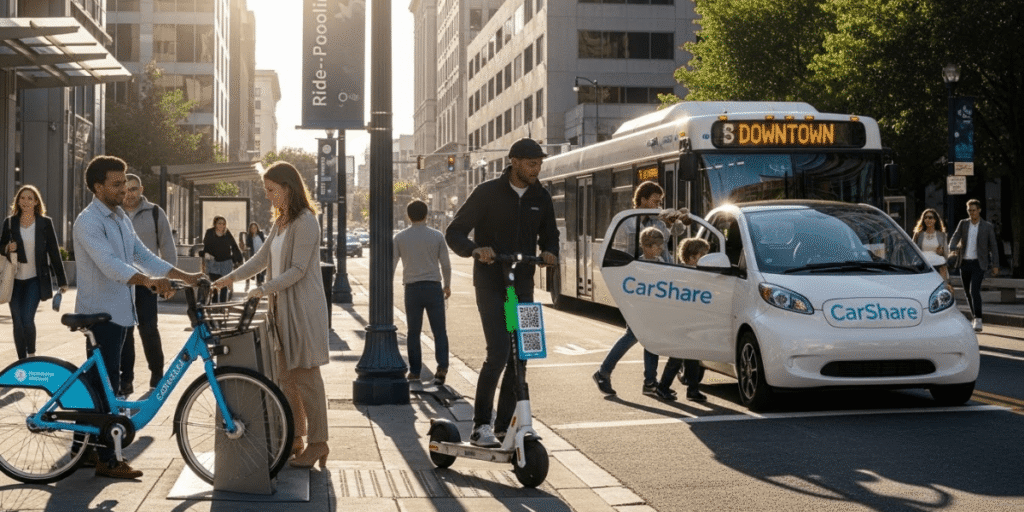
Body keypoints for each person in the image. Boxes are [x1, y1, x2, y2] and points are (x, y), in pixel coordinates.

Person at [73, 155, 204, 479]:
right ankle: (106, 459)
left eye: (124, 183)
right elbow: (110, 266)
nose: (124, 190)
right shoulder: (88, 221)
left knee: (98, 384)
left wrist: (184, 276)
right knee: (107, 386)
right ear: (98, 186)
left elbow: (141, 254)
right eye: (116, 184)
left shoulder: (119, 217)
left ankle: (82, 449)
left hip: (120, 312)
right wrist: (148, 281)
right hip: (99, 313)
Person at [212, 161, 331, 469]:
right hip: (281, 308)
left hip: (302, 309)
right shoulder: (281, 222)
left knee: (306, 376)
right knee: (285, 377)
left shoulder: (306, 221)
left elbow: (299, 269)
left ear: (288, 189)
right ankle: (296, 437)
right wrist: (229, 279)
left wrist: (263, 289)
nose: (268, 196)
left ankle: (319, 443)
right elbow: (260, 259)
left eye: (271, 190)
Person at [445, 138, 558, 448]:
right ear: (514, 162)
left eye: (539, 164)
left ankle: (504, 426)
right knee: (499, 352)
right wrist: (474, 249)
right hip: (493, 283)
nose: (537, 169)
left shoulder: (541, 197)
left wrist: (550, 252)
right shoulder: (487, 193)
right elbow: (454, 232)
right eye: (531, 163)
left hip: (521, 285)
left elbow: (551, 234)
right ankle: (481, 425)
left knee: (524, 354)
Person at [593, 181, 689, 397]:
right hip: (637, 285)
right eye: (655, 201)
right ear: (644, 200)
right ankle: (607, 372)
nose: (658, 205)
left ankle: (645, 381)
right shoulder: (628, 222)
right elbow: (624, 255)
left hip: (657, 284)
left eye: (660, 201)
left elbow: (674, 235)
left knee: (647, 334)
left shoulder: (658, 220)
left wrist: (676, 220)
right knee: (636, 333)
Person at [117, 173, 176, 395]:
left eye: (134, 189)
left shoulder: (154, 212)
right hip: (123, 281)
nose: (129, 194)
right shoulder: (114, 212)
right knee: (125, 331)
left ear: (141, 190)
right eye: (126, 189)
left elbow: (167, 248)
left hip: (148, 283)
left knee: (148, 328)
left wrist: (166, 279)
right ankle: (126, 380)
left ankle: (157, 373)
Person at [1, 185, 68, 360]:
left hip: (35, 279)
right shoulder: (9, 222)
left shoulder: (45, 223)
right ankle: (21, 360)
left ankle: (31, 355)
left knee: (27, 319)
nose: (26, 201)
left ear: (36, 201)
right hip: (14, 279)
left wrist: (62, 280)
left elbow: (54, 251)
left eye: (30, 198)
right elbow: (1, 249)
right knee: (17, 321)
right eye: (22, 198)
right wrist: (7, 247)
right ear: (18, 200)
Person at [393, 199, 452, 386]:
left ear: (408, 216)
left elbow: (392, 264)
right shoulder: (437, 236)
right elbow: (446, 264)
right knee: (439, 331)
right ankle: (442, 368)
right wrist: (447, 285)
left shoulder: (400, 238)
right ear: (426, 215)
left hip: (412, 289)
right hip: (433, 287)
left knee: (413, 332)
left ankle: (415, 371)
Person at [657, 237, 712, 403]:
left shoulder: (696, 273)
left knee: (693, 356)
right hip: (683, 322)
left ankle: (693, 389)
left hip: (691, 321)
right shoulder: (684, 274)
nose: (706, 259)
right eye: (703, 256)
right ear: (692, 257)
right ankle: (663, 386)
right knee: (677, 356)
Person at [948, 199, 999, 332]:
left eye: (974, 210)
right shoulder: (963, 223)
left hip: (979, 263)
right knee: (967, 292)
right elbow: (955, 236)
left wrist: (995, 264)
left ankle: (978, 319)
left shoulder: (987, 226)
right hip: (964, 262)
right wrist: (952, 246)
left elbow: (994, 246)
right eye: (969, 210)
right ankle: (975, 317)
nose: (971, 213)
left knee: (974, 290)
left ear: (979, 210)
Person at [201, 216, 243, 302]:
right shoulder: (209, 232)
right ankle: (214, 304)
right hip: (213, 262)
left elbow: (234, 246)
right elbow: (206, 246)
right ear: (215, 224)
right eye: (219, 223)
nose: (221, 225)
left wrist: (239, 259)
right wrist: (206, 254)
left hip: (226, 262)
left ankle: (222, 305)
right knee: (215, 284)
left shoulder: (227, 233)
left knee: (224, 285)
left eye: (223, 224)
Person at [911, 208, 950, 282]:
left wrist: (940, 252)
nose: (927, 220)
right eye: (925, 218)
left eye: (930, 217)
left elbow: (946, 253)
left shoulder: (941, 235)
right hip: (923, 265)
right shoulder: (918, 234)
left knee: (941, 287)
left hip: (938, 264)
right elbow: (912, 250)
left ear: (935, 220)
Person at [242, 222, 267, 291]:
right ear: (250, 229)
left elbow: (265, 242)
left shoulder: (261, 234)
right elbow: (247, 245)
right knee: (252, 270)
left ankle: (259, 282)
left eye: (255, 227)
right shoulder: (249, 237)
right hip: (254, 255)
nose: (254, 229)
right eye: (252, 228)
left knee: (261, 269)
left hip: (262, 254)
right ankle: (250, 283)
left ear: (257, 228)